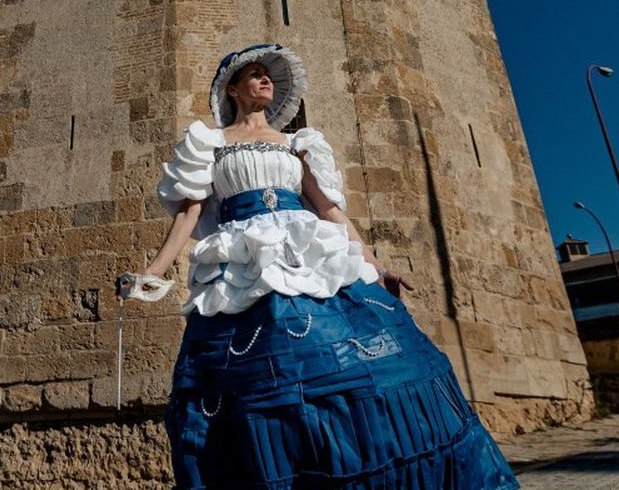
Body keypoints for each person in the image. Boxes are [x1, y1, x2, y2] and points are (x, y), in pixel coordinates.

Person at [118, 43, 519, 488]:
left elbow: (329, 212)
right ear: (232, 87)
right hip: (243, 264)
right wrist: (153, 272)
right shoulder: (210, 144)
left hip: (311, 256)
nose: (265, 79)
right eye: (254, 73)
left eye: (268, 74)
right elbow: (189, 214)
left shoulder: (298, 144)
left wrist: (376, 266)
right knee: (260, 382)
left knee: (355, 372)